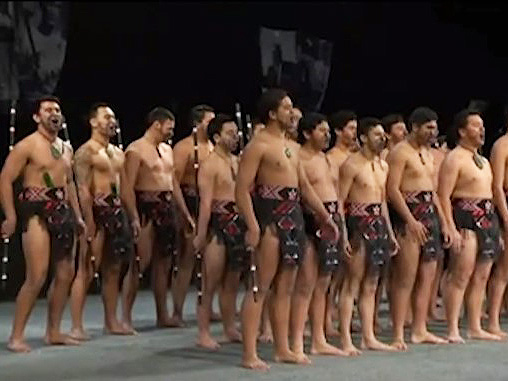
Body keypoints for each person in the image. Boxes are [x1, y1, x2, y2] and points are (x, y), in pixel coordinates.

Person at [235, 89, 338, 370]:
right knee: (261, 286)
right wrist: (253, 225)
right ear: (271, 113)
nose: (292, 113)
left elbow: (304, 188)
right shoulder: (258, 145)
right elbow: (242, 190)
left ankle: (283, 349)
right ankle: (249, 354)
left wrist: (325, 216)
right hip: (269, 218)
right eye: (286, 108)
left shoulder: (290, 147)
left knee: (287, 287)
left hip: (294, 216)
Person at [0, 96, 86, 352]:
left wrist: (78, 215)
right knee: (36, 276)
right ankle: (16, 336)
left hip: (63, 212)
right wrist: (11, 215)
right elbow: (5, 179)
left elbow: (69, 183)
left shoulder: (66, 148)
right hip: (36, 212)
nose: (54, 113)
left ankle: (54, 331)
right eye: (48, 110)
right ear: (37, 117)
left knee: (65, 274)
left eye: (57, 109)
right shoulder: (26, 146)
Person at [120, 107, 194, 332]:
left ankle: (163, 315)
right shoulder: (135, 150)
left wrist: (185, 214)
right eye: (169, 128)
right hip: (145, 206)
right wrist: (133, 216)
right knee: (139, 264)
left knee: (165, 264)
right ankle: (125, 318)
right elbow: (126, 188)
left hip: (167, 205)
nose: (171, 132)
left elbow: (173, 184)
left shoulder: (167, 149)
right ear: (156, 124)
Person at [69, 102, 139, 339]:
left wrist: (134, 217)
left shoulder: (118, 153)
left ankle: (111, 321)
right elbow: (81, 189)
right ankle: (76, 326)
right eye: (107, 117)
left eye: (114, 117)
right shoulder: (85, 152)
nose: (112, 121)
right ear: (93, 122)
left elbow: (127, 188)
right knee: (87, 269)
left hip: (117, 211)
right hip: (96, 212)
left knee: (114, 269)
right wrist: (87, 220)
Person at [386, 107, 450, 350]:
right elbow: (392, 190)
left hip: (429, 213)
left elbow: (432, 192)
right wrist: (410, 220)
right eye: (428, 127)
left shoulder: (428, 153)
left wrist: (443, 221)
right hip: (408, 215)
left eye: (435, 127)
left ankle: (419, 329)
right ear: (415, 127)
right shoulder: (399, 153)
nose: (433, 132)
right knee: (406, 277)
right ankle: (397, 333)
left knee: (427, 276)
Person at [438, 109, 503, 343]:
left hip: (487, 217)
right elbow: (443, 195)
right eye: (476, 125)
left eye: (482, 125)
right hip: (465, 217)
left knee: (482, 275)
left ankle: (475, 326)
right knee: (461, 274)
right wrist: (449, 226)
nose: (481, 129)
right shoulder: (454, 158)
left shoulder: (484, 160)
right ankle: (453, 328)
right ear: (462, 131)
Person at [290, 112, 349, 361]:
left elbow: (337, 196)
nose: (327, 135)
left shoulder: (326, 160)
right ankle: (296, 342)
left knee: (323, 284)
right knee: (305, 284)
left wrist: (342, 232)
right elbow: (302, 194)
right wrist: (322, 218)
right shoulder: (298, 158)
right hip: (309, 220)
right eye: (321, 131)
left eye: (328, 131)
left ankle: (318, 339)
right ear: (306, 133)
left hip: (333, 218)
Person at [338, 117, 400, 355]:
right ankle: (345, 339)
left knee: (372, 284)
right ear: (363, 137)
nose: (382, 138)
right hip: (357, 224)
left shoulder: (383, 166)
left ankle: (368, 337)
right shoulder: (350, 165)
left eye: (383, 134)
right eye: (376, 134)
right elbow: (340, 204)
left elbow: (383, 201)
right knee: (352, 284)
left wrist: (390, 233)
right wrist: (343, 236)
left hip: (378, 225)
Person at [193, 114, 248, 349]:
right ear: (216, 137)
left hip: (239, 222)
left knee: (233, 280)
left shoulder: (239, 162)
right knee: (210, 282)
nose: (235, 137)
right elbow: (205, 204)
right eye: (229, 133)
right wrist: (200, 234)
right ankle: (203, 333)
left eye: (236, 133)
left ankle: (229, 327)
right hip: (217, 222)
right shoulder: (208, 165)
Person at [171, 104, 216, 327]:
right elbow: (174, 183)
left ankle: (208, 308)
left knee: (212, 261)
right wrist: (185, 214)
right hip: (190, 202)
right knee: (187, 260)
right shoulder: (184, 148)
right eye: (209, 121)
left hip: (213, 205)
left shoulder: (215, 147)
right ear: (197, 123)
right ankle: (177, 311)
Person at [325, 109, 358, 336]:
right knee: (331, 275)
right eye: (351, 129)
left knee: (349, 274)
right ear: (339, 131)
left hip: (358, 216)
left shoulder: (357, 157)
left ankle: (342, 318)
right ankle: (325, 320)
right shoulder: (331, 158)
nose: (354, 133)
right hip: (339, 214)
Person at [486, 121, 508, 338]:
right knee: (503, 269)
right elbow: (497, 186)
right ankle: (493, 320)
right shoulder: (502, 145)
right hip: (506, 204)